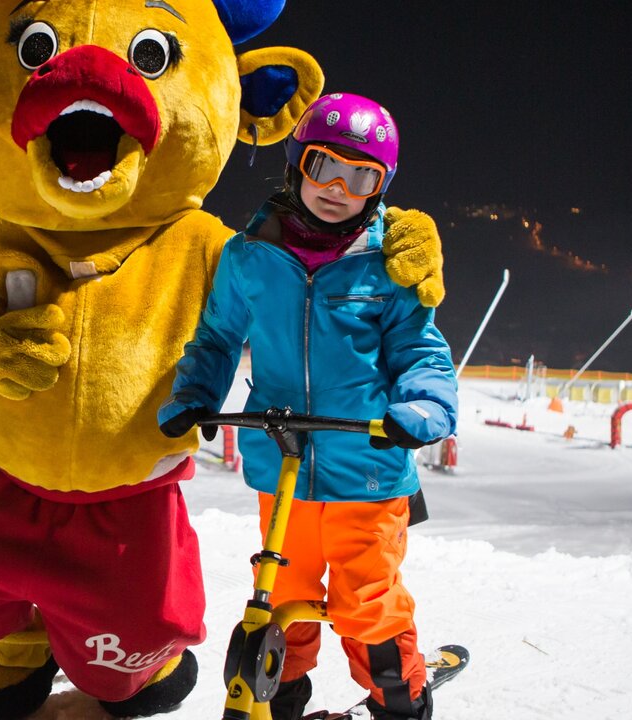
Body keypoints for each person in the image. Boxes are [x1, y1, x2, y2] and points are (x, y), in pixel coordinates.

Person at [158, 93, 458, 720]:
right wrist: (194, 397)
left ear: (379, 189)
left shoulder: (387, 266)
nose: (339, 189)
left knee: (364, 598)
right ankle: (280, 698)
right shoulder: (249, 258)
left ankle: (396, 698)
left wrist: (423, 408)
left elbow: (419, 349)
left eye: (362, 178)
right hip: (281, 462)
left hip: (368, 465)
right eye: (326, 167)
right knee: (281, 588)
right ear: (297, 164)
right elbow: (217, 338)